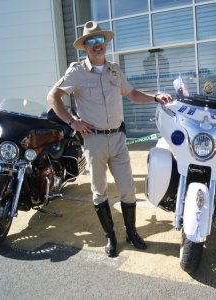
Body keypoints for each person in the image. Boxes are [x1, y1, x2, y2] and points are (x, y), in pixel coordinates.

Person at [47, 21, 172, 257]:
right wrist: (73, 122)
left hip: (117, 139)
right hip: (93, 141)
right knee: (99, 192)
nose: (97, 45)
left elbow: (132, 94)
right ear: (85, 47)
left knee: (128, 190)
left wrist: (156, 97)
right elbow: (53, 97)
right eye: (91, 41)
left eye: (100, 40)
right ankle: (110, 236)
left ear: (105, 43)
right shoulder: (77, 72)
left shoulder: (115, 70)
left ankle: (132, 233)